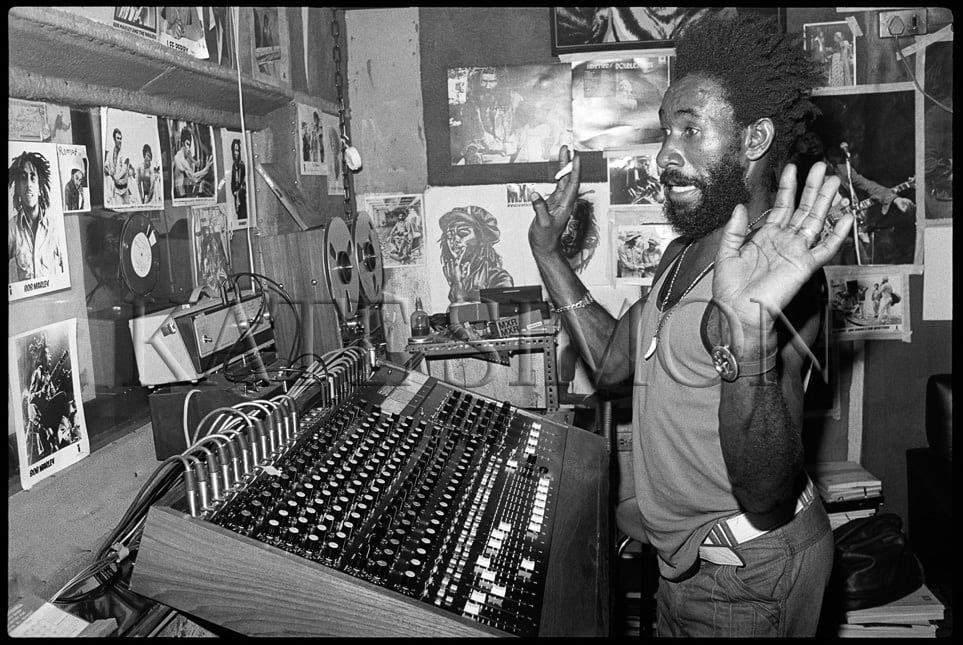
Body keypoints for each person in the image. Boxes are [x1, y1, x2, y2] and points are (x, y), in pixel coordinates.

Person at [527, 14, 852, 637]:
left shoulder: (788, 281)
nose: (665, 153)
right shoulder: (684, 253)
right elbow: (615, 363)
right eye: (664, 131)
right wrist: (549, 254)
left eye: (691, 130)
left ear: (754, 137)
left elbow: (766, 492)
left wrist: (750, 342)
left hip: (748, 575)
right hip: (688, 569)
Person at [9, 150, 65, 282]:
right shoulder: (11, 230)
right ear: (18, 188)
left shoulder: (56, 229)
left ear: (40, 188)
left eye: (33, 177)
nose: (28, 185)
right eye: (23, 178)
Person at [438, 205, 514, 303]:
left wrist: (457, 285)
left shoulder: (498, 278)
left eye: (463, 233)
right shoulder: (459, 274)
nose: (454, 239)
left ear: (481, 240)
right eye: (449, 235)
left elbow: (502, 312)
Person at [173, 126, 213, 198]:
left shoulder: (184, 153)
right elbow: (194, 177)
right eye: (187, 144)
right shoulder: (180, 158)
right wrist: (206, 169)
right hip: (181, 196)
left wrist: (196, 162)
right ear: (182, 143)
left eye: (190, 145)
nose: (189, 148)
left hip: (183, 193)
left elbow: (191, 158)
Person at [103, 128, 132, 206]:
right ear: (114, 139)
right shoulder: (110, 154)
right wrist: (109, 172)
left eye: (120, 138)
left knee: (127, 210)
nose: (119, 140)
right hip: (116, 190)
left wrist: (115, 177)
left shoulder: (124, 152)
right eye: (118, 138)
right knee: (120, 210)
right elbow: (105, 168)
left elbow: (124, 169)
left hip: (125, 189)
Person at [230, 138, 247, 222]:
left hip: (241, 197)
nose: (235, 153)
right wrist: (234, 191)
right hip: (236, 197)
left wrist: (239, 191)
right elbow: (232, 182)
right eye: (234, 150)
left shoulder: (242, 165)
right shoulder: (234, 166)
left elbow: (243, 182)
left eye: (237, 150)